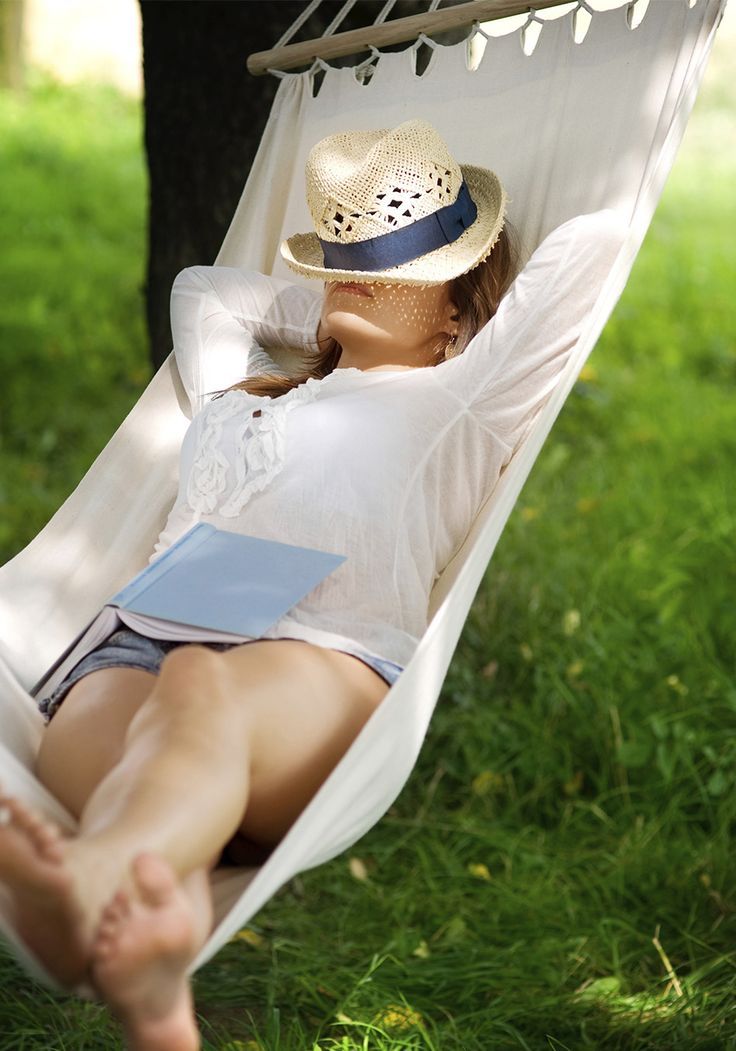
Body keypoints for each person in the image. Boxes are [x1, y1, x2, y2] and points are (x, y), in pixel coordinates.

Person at [0, 119, 623, 1050]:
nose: (360, 269)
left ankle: (90, 893)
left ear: (461, 307)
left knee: (199, 688)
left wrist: (439, 321)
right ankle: (145, 934)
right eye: (343, 253)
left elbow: (596, 243)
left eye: (405, 262)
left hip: (314, 656)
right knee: (150, 723)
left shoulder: (465, 403)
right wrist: (341, 322)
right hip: (134, 645)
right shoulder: (249, 385)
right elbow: (203, 293)